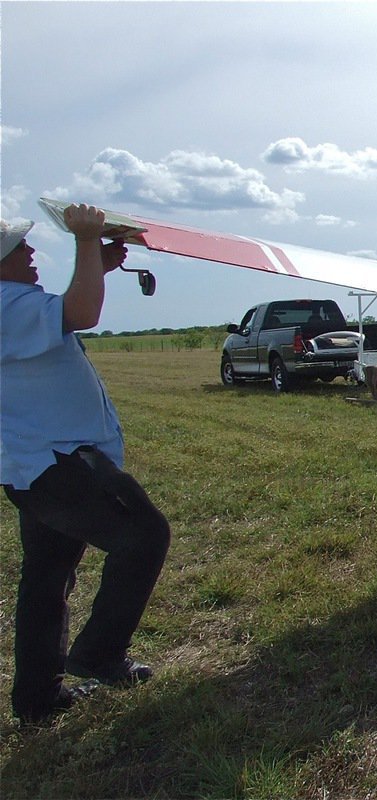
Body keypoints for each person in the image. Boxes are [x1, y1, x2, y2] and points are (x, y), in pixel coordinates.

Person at [1, 207, 171, 726]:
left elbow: (72, 303)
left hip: (34, 466)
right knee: (143, 534)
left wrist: (94, 259)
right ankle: (99, 654)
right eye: (15, 249)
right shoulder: (6, 304)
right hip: (57, 465)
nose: (29, 253)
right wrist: (85, 241)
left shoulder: (14, 304)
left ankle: (37, 699)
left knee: (48, 578)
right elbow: (81, 311)